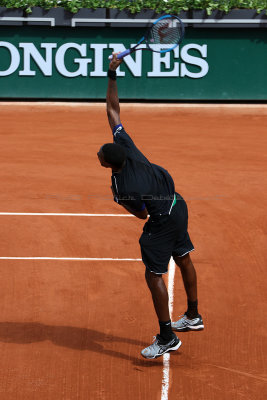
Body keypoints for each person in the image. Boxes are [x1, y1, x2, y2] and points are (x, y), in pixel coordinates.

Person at [97, 53, 204, 360]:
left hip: (160, 220)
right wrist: (112, 74)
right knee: (183, 257)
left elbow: (142, 213)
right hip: (177, 203)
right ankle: (193, 316)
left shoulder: (120, 187)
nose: (99, 155)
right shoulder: (126, 146)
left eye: (100, 156)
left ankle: (167, 335)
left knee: (153, 275)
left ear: (107, 164)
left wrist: (139, 210)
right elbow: (112, 111)